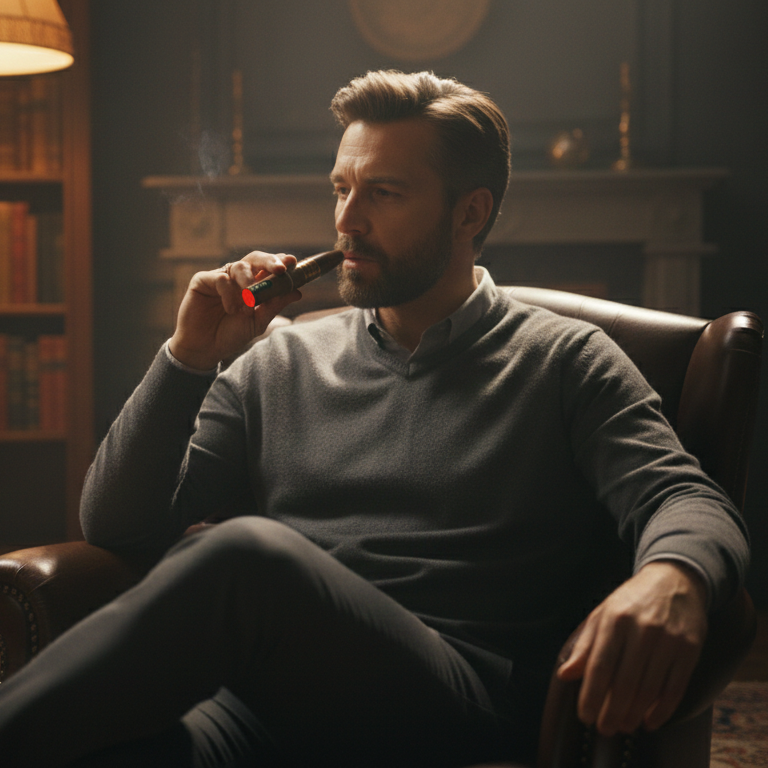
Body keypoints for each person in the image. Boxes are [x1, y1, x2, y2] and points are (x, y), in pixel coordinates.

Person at [0, 70, 749, 768]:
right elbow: (118, 526)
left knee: (246, 556)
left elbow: (684, 497)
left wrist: (675, 575)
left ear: (470, 212)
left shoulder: (564, 360)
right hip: (262, 709)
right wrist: (189, 357)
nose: (346, 221)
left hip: (460, 699)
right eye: (340, 189)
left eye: (383, 193)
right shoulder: (278, 359)